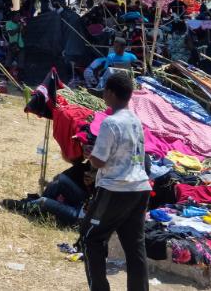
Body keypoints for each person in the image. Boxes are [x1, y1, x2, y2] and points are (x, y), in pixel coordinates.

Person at [81, 72, 150, 291]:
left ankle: (99, 287)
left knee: (90, 237)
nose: (103, 95)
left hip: (115, 188)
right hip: (139, 187)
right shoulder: (135, 121)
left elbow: (100, 162)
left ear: (110, 93)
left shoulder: (110, 122)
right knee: (134, 246)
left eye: (104, 91)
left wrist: (89, 152)